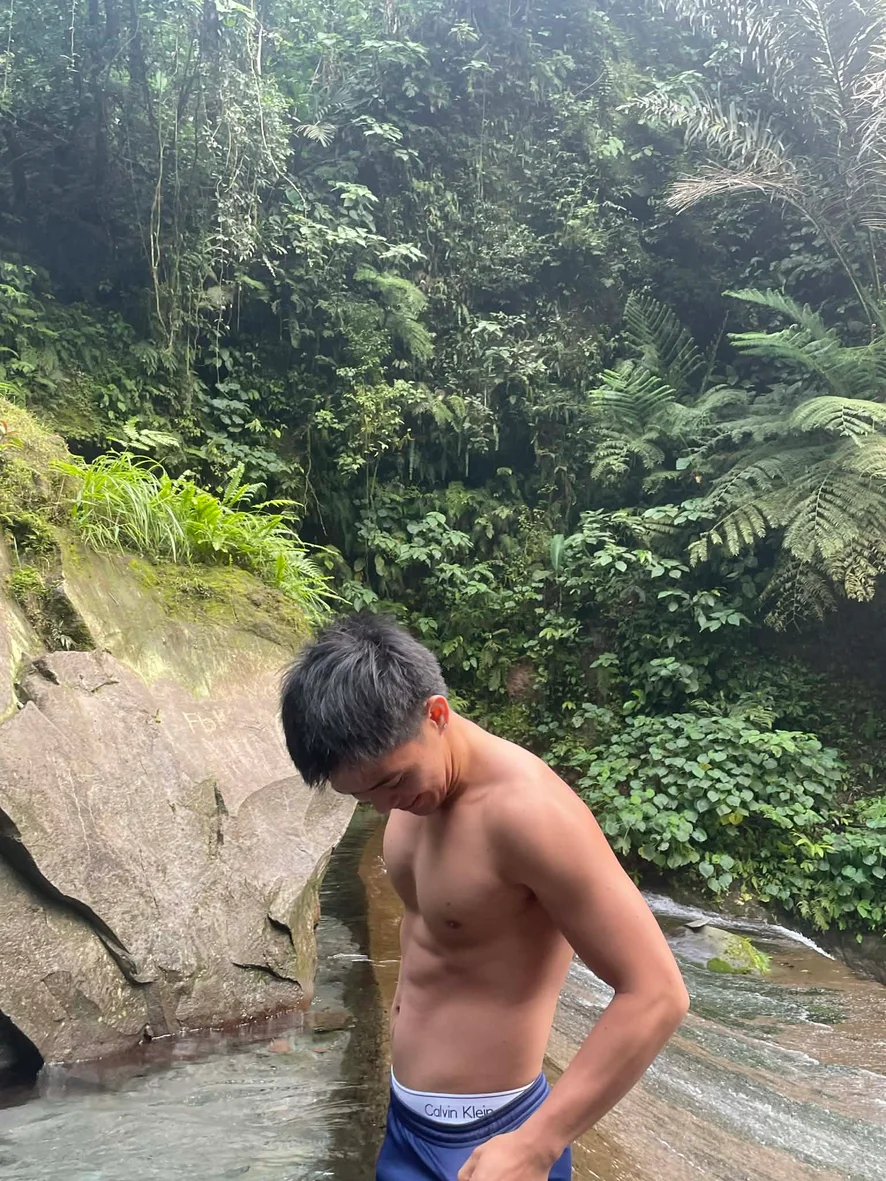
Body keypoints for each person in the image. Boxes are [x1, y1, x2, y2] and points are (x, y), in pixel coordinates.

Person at [280, 614, 689, 1181]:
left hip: (492, 1137)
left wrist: (537, 1145)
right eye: (362, 796)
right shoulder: (411, 794)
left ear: (436, 715)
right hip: (405, 1123)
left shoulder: (528, 813)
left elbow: (657, 993)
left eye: (392, 782)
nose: (383, 806)